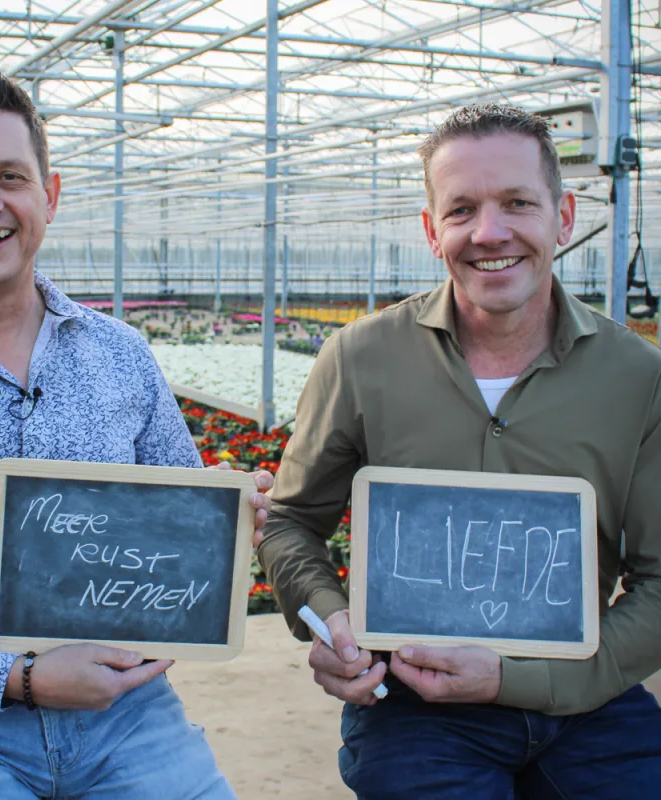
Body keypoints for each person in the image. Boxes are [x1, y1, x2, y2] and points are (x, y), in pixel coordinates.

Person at [0, 73, 272, 799]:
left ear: (49, 195)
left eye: (9, 178)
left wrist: (232, 524)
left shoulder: (120, 353)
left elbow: (183, 525)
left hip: (125, 717)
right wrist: (14, 679)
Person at [259, 103, 661, 799]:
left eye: (517, 203)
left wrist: (531, 679)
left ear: (563, 217)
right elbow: (292, 523)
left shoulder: (635, 376)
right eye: (461, 210)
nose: (489, 233)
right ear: (430, 229)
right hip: (418, 705)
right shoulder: (363, 357)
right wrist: (334, 621)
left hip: (588, 700)